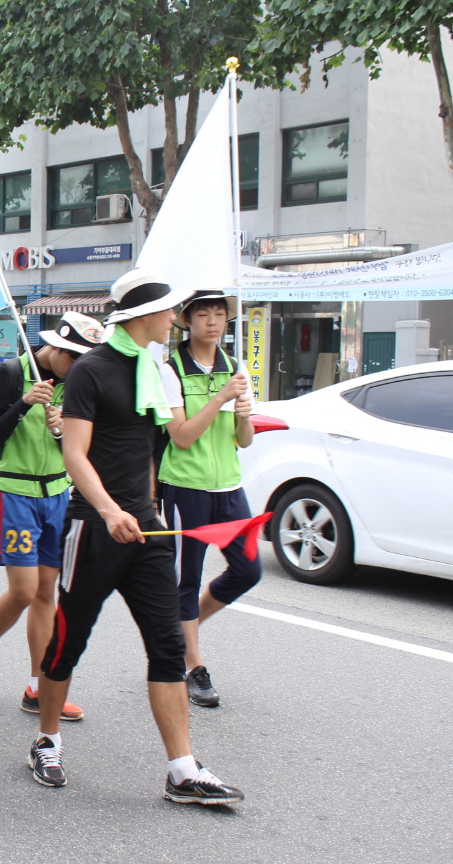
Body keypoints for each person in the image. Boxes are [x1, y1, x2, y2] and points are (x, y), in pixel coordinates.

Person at [28, 267, 244, 806]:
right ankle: (47, 740)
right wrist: (108, 510)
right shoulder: (91, 372)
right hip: (94, 525)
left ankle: (182, 769)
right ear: (144, 314)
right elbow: (74, 454)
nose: (177, 318)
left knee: (168, 644)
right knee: (69, 638)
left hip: (147, 527)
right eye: (171, 310)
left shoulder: (159, 371)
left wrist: (146, 513)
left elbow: (161, 448)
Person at [0, 312, 103, 722]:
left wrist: (60, 431)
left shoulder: (79, 382)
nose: (80, 368)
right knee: (23, 590)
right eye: (74, 358)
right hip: (15, 493)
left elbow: (78, 449)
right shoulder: (10, 373)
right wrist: (24, 403)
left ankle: (39, 687)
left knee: (47, 593)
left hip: (57, 494)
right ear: (55, 348)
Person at [159, 290, 256, 708]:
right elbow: (180, 437)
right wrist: (220, 399)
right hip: (186, 487)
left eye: (220, 313)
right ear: (187, 320)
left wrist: (243, 413)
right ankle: (191, 664)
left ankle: (185, 628)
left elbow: (245, 441)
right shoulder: (171, 369)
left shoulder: (236, 367)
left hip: (230, 487)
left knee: (248, 570)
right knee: (187, 578)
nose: (213, 321)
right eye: (204, 313)